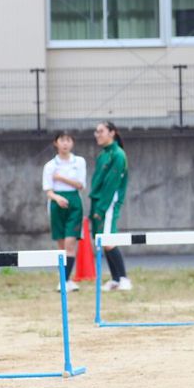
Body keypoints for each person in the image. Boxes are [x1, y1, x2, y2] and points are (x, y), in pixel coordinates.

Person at [42, 131, 87, 292]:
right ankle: (65, 279)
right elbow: (48, 190)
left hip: (74, 203)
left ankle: (65, 280)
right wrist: (57, 198)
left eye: (68, 140)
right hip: (56, 204)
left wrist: (61, 178)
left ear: (72, 143)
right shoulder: (50, 165)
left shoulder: (79, 162)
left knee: (70, 242)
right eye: (62, 140)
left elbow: (80, 185)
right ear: (56, 143)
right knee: (61, 246)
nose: (65, 144)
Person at [89, 121, 131, 292]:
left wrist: (101, 208)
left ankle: (123, 278)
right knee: (103, 240)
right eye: (96, 131)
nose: (97, 134)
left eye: (101, 131)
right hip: (98, 201)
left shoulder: (118, 155)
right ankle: (115, 279)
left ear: (112, 133)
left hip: (108, 203)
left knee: (108, 240)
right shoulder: (103, 154)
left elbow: (111, 184)